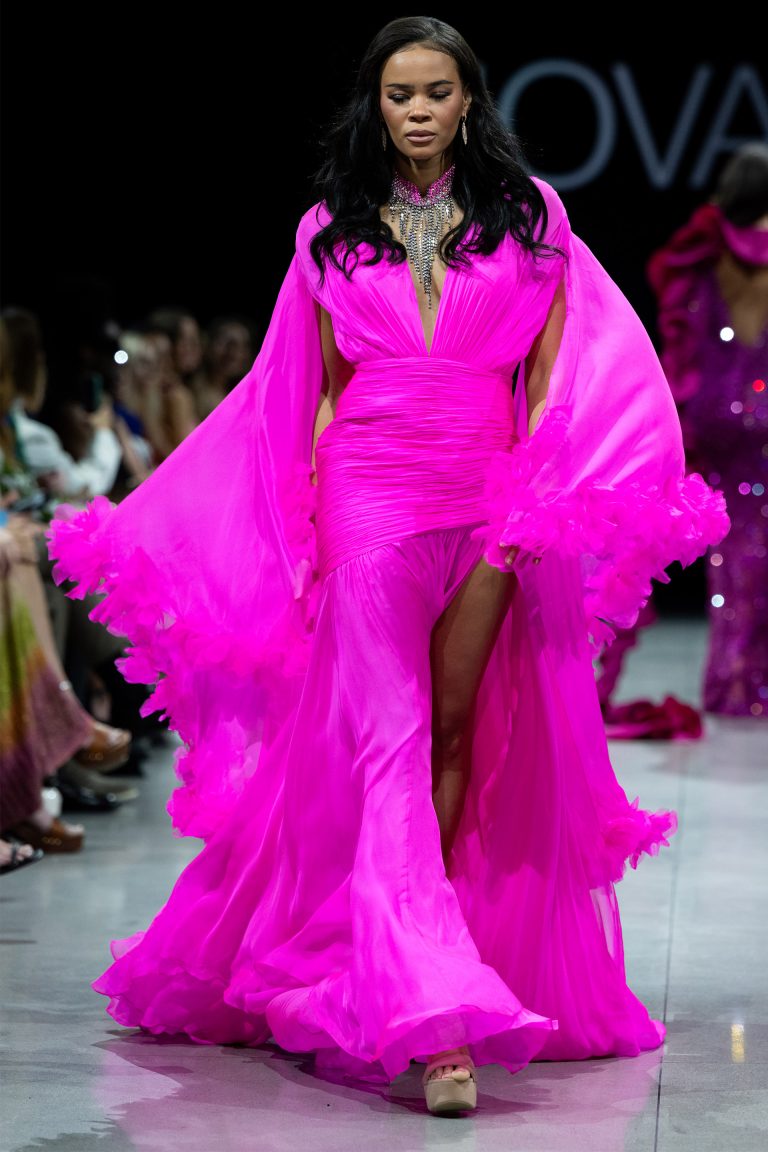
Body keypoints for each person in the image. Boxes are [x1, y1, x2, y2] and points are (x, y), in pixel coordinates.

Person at [47, 17, 729, 1116]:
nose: (416, 111)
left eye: (435, 92)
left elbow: (559, 372)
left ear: (468, 102)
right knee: (393, 740)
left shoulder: (530, 216)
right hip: (369, 496)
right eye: (398, 94)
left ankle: (415, 952)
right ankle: (436, 1023)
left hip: (491, 498)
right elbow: (310, 389)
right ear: (375, 105)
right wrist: (308, 525)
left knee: (458, 731)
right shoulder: (330, 230)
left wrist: (540, 495)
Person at [596, 142, 768, 731]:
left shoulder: (705, 253)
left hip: (711, 415)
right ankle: (748, 682)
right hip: (763, 413)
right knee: (753, 551)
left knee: (733, 553)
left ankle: (732, 679)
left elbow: (683, 332)